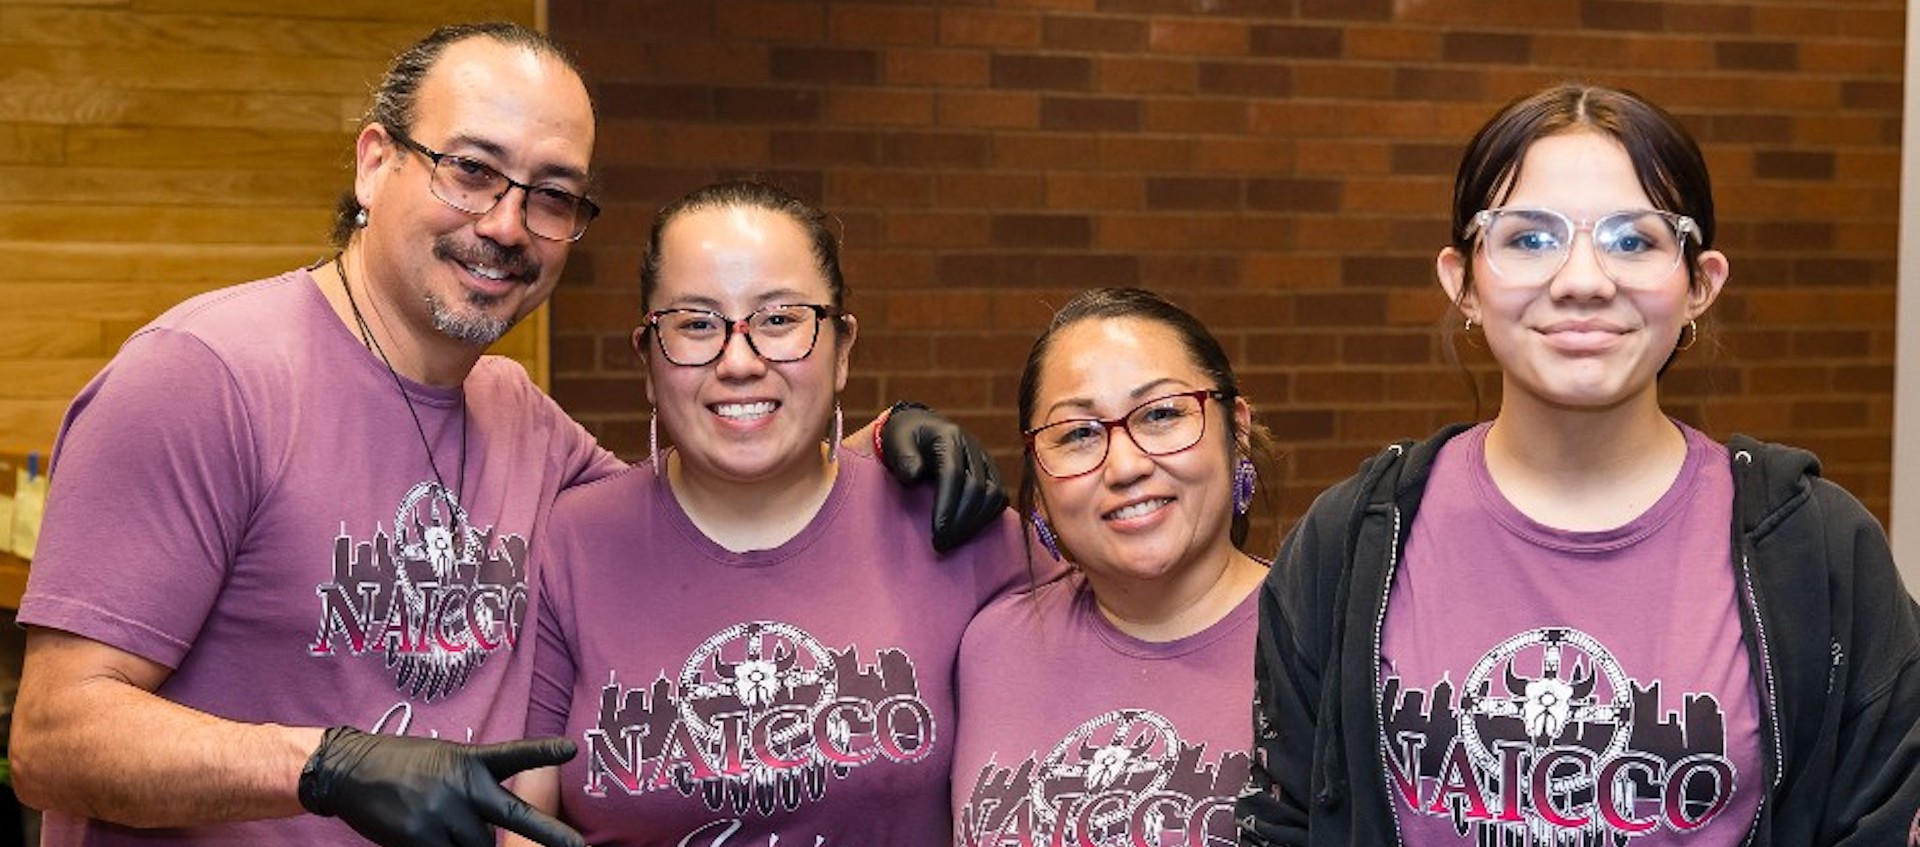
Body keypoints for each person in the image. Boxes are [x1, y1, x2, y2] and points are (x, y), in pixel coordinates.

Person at [9, 24, 1002, 847]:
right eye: (471, 170)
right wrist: (321, 764)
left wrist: (881, 444)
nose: (509, 224)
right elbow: (52, 735)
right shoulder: (206, 376)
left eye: (554, 194)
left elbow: (715, 502)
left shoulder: (520, 415)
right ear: (374, 162)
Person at [1237, 83, 1920, 845]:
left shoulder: (1817, 550)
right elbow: (1287, 821)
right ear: (1461, 280)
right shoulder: (1352, 541)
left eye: (1635, 239)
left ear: (1700, 284)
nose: (1584, 280)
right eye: (1530, 238)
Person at [511, 180, 1041, 846]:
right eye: (697, 323)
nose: (739, 361)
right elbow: (523, 824)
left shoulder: (958, 531)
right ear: (647, 359)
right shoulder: (571, 544)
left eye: (780, 318)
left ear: (841, 347)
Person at [950, 288, 1273, 846]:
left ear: (1235, 430)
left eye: (1163, 414)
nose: (1124, 466)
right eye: (1077, 433)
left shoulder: (1322, 644)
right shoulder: (991, 646)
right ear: (1038, 477)